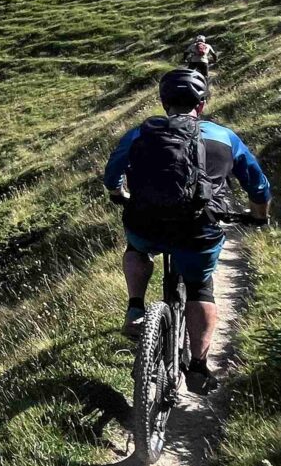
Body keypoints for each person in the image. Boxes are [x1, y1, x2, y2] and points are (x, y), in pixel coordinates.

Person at [102, 68, 271, 393]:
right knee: (200, 289)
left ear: (164, 103)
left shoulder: (141, 133)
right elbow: (259, 187)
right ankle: (198, 367)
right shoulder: (225, 137)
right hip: (199, 231)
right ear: (202, 104)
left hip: (146, 224)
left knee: (136, 250)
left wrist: (117, 194)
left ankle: (136, 307)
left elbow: (113, 173)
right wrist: (258, 216)